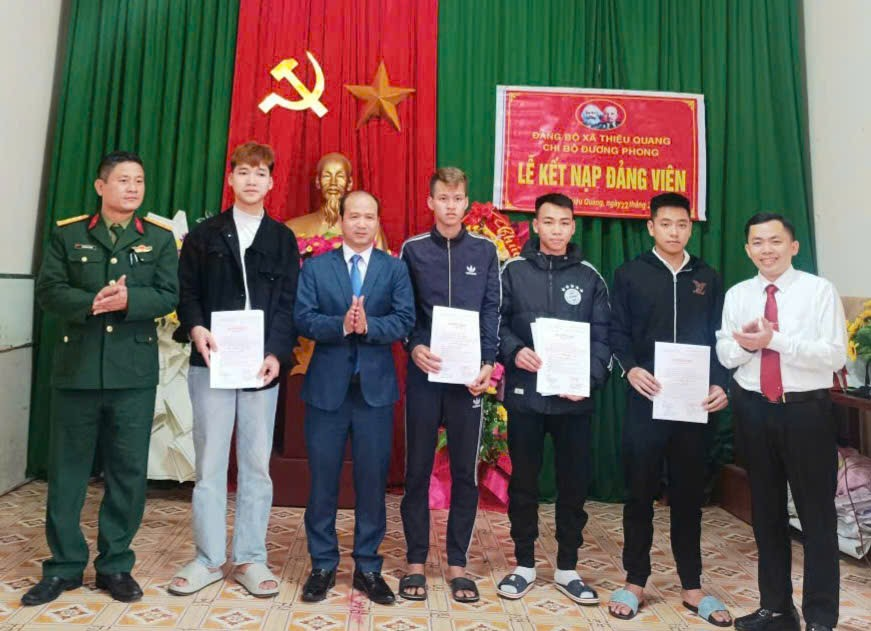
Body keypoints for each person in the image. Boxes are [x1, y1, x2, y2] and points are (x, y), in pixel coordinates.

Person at [23, 151, 178, 606]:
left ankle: (115, 565)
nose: (132, 188)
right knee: (68, 472)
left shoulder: (159, 239)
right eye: (123, 180)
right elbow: (49, 290)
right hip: (78, 370)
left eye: (139, 181)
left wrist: (129, 301)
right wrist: (92, 302)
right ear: (100, 186)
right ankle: (64, 565)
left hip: (132, 374)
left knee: (127, 472)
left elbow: (169, 293)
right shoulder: (69, 234)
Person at [169, 142, 299, 598]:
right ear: (231, 179)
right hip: (212, 362)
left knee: (256, 464)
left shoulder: (282, 238)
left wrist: (277, 353)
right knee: (209, 463)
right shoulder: (204, 235)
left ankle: (250, 558)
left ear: (271, 182)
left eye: (260, 173)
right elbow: (186, 292)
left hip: (261, 367)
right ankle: (207, 558)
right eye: (243, 172)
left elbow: (288, 303)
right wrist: (196, 328)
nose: (251, 180)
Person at [716, 213, 845, 631]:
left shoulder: (818, 291)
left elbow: (834, 355)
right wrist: (748, 344)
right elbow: (725, 355)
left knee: (816, 516)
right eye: (757, 242)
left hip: (805, 411)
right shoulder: (738, 294)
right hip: (753, 409)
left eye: (775, 241)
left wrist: (776, 340)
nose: (766, 250)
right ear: (747, 249)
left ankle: (821, 617)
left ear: (793, 246)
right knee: (766, 513)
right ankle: (776, 609)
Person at [607, 192, 731, 625]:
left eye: (682, 224)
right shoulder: (630, 274)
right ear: (651, 226)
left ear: (690, 228)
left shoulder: (708, 277)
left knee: (688, 496)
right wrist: (631, 369)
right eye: (666, 224)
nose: (674, 232)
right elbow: (617, 332)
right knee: (638, 493)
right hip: (647, 399)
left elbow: (721, 337)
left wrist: (721, 383)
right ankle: (635, 580)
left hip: (694, 405)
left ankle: (692, 586)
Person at [295, 190, 414, 605]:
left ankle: (368, 567)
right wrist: (342, 325)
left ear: (378, 221)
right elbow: (303, 318)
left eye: (369, 217)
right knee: (323, 482)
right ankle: (322, 564)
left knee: (371, 482)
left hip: (374, 394)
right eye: (354, 216)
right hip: (326, 392)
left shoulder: (394, 268)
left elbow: (405, 320)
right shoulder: (316, 267)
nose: (362, 224)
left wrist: (369, 327)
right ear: (341, 221)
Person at [494, 193, 611, 604]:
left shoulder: (590, 277)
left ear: (573, 226)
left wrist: (589, 379)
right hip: (526, 397)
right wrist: (514, 351)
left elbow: (604, 338)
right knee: (524, 482)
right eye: (549, 221)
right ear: (536, 225)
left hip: (574, 401)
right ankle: (524, 564)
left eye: (564, 222)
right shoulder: (513, 271)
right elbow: (496, 323)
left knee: (573, 485)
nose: (557, 230)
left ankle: (567, 567)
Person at [399, 167, 500, 603]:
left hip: (468, 382)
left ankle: (458, 563)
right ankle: (415, 561)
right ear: (431, 202)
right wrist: (413, 346)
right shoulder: (413, 250)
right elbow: (403, 309)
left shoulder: (485, 250)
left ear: (467, 203)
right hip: (425, 377)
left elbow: (493, 309)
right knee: (417, 470)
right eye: (443, 198)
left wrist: (488, 363)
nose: (451, 206)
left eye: (458, 198)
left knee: (464, 473)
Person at [285, 152, 388, 248]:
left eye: (340, 176)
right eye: (327, 176)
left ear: (349, 183)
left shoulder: (369, 229)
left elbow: (379, 260)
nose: (333, 183)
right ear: (318, 182)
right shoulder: (294, 228)